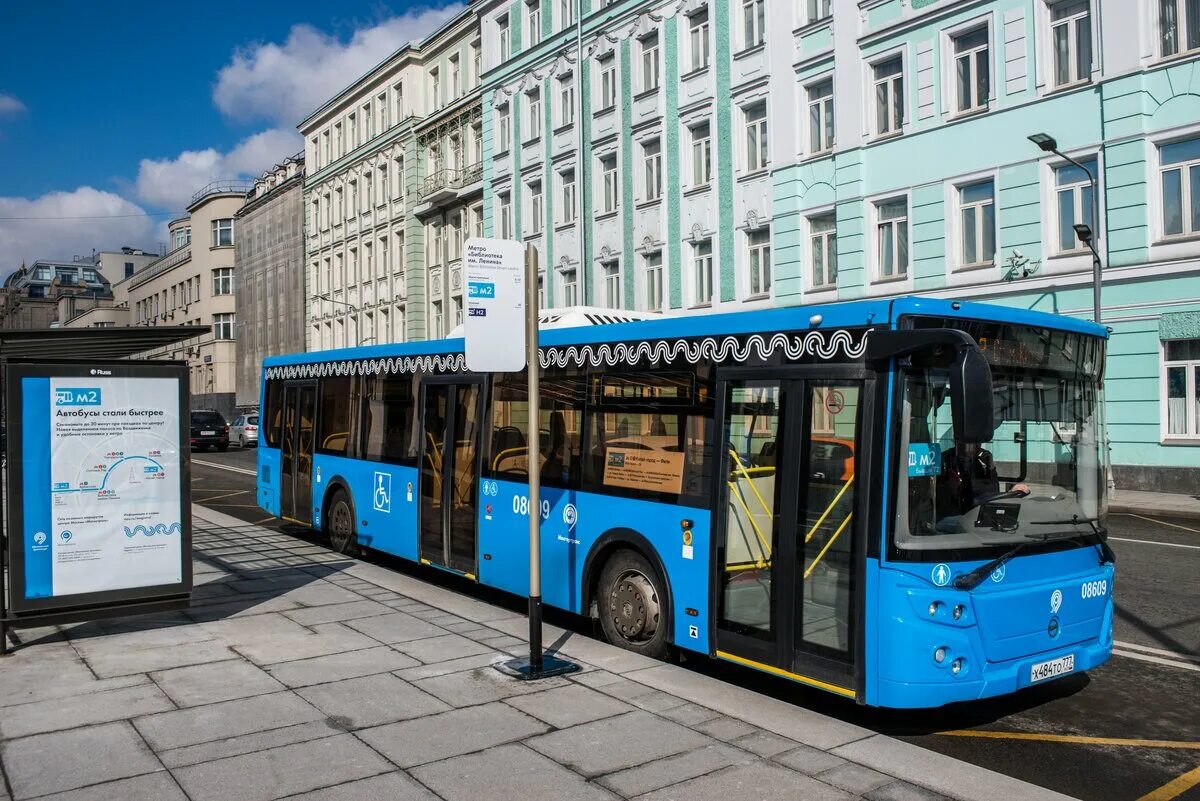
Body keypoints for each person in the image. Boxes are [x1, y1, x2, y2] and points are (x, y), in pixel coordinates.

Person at [937, 442, 1029, 518]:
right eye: (973, 442)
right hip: (953, 517)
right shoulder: (946, 461)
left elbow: (991, 493)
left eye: (979, 442)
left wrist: (990, 468)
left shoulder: (976, 463)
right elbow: (969, 495)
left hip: (974, 514)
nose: (978, 446)